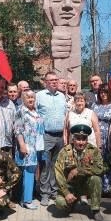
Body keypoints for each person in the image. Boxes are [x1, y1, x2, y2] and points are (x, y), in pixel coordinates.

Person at [55, 125, 104, 221]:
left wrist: (79, 170)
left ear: (87, 140)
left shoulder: (93, 151)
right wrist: (66, 193)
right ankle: (71, 203)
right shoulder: (65, 151)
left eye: (84, 139)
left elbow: (100, 169)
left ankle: (96, 210)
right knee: (60, 203)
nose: (81, 142)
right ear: (73, 139)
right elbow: (58, 172)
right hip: (71, 186)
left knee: (96, 179)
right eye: (78, 139)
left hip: (86, 186)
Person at [35, 71, 67, 206]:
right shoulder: (39, 96)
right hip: (46, 136)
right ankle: (44, 193)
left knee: (56, 165)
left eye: (56, 80)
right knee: (45, 165)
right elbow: (35, 115)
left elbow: (65, 115)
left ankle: (54, 191)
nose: (54, 82)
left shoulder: (62, 96)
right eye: (51, 80)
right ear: (45, 82)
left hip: (59, 136)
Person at [14, 90, 45, 209]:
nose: (31, 99)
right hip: (28, 146)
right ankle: (27, 200)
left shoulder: (36, 111)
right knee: (29, 172)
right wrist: (22, 145)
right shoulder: (21, 111)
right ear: (23, 99)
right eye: (28, 97)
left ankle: (26, 198)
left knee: (32, 171)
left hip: (38, 146)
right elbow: (18, 130)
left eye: (32, 97)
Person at [92, 84, 111, 191]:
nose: (103, 94)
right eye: (101, 92)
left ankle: (109, 186)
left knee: (109, 161)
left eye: (106, 92)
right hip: (96, 136)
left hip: (110, 136)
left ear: (110, 93)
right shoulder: (95, 105)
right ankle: (98, 186)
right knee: (97, 160)